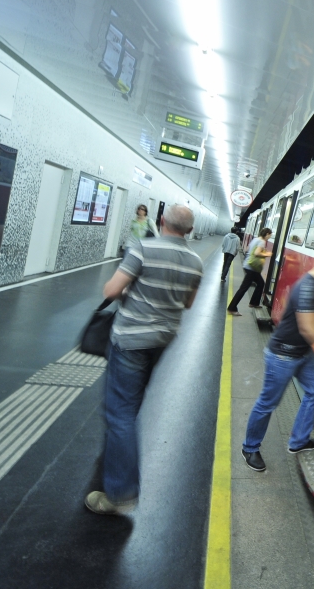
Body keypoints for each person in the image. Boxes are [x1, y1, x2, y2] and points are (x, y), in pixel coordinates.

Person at [85, 204, 203, 515]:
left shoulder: (142, 248)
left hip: (131, 340)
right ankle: (118, 452)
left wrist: (129, 293)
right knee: (130, 404)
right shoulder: (195, 261)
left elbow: (111, 290)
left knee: (120, 413)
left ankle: (120, 492)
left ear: (162, 221)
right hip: (162, 341)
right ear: (189, 231)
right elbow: (188, 303)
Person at [241, 246, 314, 472]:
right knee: (268, 403)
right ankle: (249, 448)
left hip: (301, 352)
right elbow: (310, 329)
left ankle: (298, 441)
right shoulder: (309, 287)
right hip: (282, 354)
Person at [227, 228, 272, 316]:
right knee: (243, 288)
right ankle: (232, 308)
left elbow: (247, 249)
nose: (270, 237)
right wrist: (267, 254)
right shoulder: (262, 242)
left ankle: (254, 303)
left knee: (261, 283)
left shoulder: (255, 239)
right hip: (252, 267)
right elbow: (256, 253)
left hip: (249, 265)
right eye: (270, 235)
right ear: (266, 234)